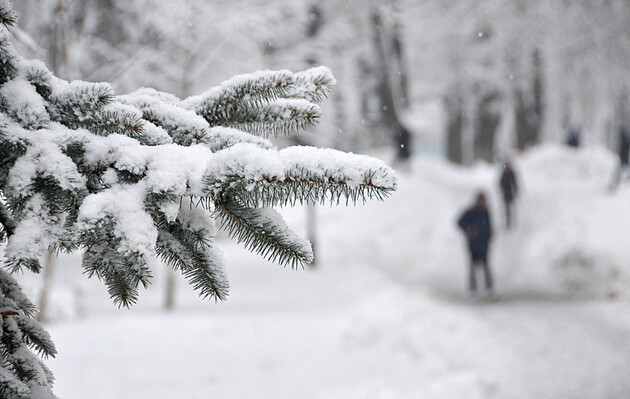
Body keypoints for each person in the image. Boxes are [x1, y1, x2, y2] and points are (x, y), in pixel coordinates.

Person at [458, 192, 493, 295]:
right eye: (480, 200)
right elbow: (460, 222)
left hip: (484, 245)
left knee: (486, 267)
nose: (482, 202)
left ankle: (489, 287)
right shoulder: (471, 212)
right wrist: (469, 229)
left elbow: (489, 227)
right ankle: (473, 288)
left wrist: (489, 237)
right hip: (473, 245)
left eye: (483, 200)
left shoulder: (486, 212)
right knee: (472, 268)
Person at [499, 159, 518, 228]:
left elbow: (514, 183)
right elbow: (501, 183)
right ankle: (509, 221)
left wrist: (515, 190)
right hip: (506, 192)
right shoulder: (505, 173)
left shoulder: (510, 173)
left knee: (509, 207)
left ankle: (510, 220)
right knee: (507, 207)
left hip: (509, 192)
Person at [609, 126, 630, 190]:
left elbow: (622, 149)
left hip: (623, 157)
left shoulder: (624, 140)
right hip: (624, 157)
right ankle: (619, 182)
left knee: (621, 170)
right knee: (621, 170)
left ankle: (618, 183)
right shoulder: (625, 140)